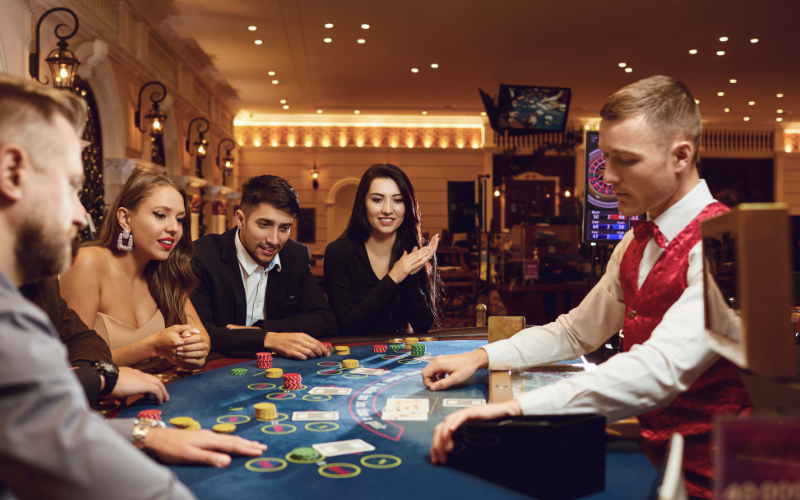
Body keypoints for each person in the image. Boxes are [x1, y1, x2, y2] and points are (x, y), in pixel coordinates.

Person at [424, 76, 751, 500]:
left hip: (716, 478)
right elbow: (576, 332)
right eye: (606, 157)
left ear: (681, 156)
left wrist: (516, 408)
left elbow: (659, 370)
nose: (607, 176)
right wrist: (481, 356)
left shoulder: (721, 241)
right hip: (651, 458)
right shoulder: (635, 241)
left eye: (626, 160)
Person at [0, 73, 264, 500]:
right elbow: (59, 434)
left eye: (179, 218)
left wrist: (142, 433)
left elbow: (54, 408)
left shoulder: (31, 286)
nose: (80, 216)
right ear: (12, 172)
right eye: (69, 186)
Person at [60, 169, 211, 370]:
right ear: (125, 218)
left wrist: (197, 348)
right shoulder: (89, 263)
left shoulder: (167, 271)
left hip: (163, 394)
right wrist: (152, 347)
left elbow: (202, 337)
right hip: (103, 399)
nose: (174, 228)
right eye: (160, 215)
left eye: (180, 219)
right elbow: (72, 364)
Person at [191, 175, 336, 359]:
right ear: (240, 219)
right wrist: (269, 339)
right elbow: (197, 333)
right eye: (264, 225)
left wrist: (264, 330)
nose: (274, 240)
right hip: (219, 368)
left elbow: (326, 320)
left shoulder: (295, 255)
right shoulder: (203, 256)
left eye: (284, 228)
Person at [324, 163, 442, 336]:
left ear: (407, 205)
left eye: (398, 200)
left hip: (401, 357)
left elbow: (423, 326)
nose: (387, 210)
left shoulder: (418, 251)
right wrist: (395, 276)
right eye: (377, 199)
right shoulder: (339, 252)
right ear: (363, 203)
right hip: (353, 357)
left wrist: (409, 277)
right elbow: (347, 327)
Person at [20, 277, 169, 406]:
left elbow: (83, 339)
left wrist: (88, 375)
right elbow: (16, 388)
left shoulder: (43, 279)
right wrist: (99, 379)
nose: (76, 242)